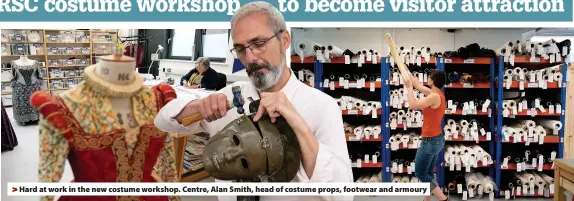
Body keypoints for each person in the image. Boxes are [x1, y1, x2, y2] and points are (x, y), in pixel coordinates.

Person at [154, 1, 353, 201]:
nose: (250, 57)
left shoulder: (322, 106)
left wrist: (297, 124)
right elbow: (162, 122)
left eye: (258, 44)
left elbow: (343, 195)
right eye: (240, 49)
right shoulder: (230, 97)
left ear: (284, 40)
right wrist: (197, 106)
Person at [404, 69, 449, 201]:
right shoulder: (436, 93)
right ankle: (426, 199)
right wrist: (406, 70)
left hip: (430, 141)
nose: (427, 78)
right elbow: (418, 85)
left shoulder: (433, 96)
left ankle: (444, 199)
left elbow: (413, 105)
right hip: (437, 139)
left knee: (421, 173)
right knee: (428, 172)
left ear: (433, 80)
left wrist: (409, 88)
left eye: (429, 77)